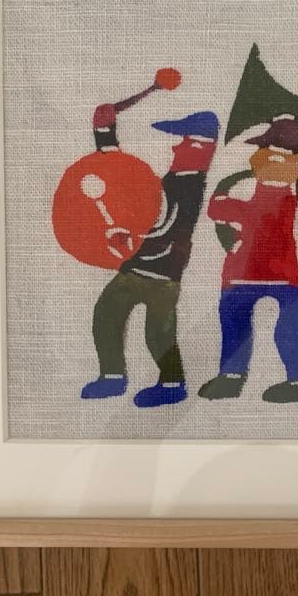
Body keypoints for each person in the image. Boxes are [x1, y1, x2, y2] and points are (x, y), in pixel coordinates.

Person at [80, 110, 220, 408]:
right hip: (142, 268)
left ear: (198, 147)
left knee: (157, 331)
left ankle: (171, 383)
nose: (175, 146)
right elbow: (136, 194)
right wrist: (105, 139)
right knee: (108, 314)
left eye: (183, 141)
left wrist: (129, 235)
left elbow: (163, 224)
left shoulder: (187, 184)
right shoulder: (177, 180)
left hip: (160, 274)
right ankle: (114, 376)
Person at [199, 116, 298, 404]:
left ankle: (235, 377)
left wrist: (226, 188)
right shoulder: (292, 193)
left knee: (242, 320)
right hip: (277, 272)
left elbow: (219, 209)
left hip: (249, 271)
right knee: (282, 321)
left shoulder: (278, 194)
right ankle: (296, 380)